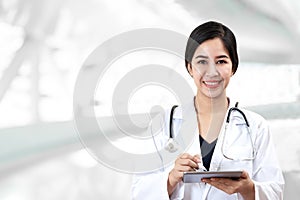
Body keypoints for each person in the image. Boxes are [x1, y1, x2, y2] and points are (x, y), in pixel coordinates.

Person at [131, 21, 284, 200]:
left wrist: (248, 188)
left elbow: (275, 193)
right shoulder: (162, 124)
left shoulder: (256, 126)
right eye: (202, 61)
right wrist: (171, 179)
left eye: (221, 61)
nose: (212, 72)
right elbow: (138, 193)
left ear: (233, 67)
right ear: (189, 67)